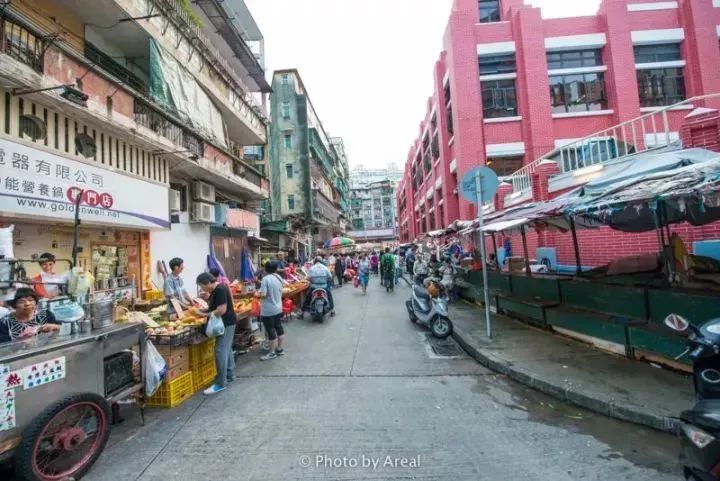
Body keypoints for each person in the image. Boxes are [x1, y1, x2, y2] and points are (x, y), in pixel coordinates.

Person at [196, 273, 238, 395]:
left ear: (208, 282)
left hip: (226, 323)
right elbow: (215, 307)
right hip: (228, 322)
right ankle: (229, 375)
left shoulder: (219, 290)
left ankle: (220, 383)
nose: (202, 289)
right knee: (226, 349)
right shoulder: (217, 290)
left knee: (220, 351)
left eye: (202, 286)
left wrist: (205, 315)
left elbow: (221, 310)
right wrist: (204, 310)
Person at [256, 262, 286, 361]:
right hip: (278, 307)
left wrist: (257, 294)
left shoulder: (265, 279)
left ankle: (272, 352)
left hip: (268, 309)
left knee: (270, 329)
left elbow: (264, 294)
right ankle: (279, 349)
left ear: (265, 269)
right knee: (278, 327)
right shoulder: (278, 277)